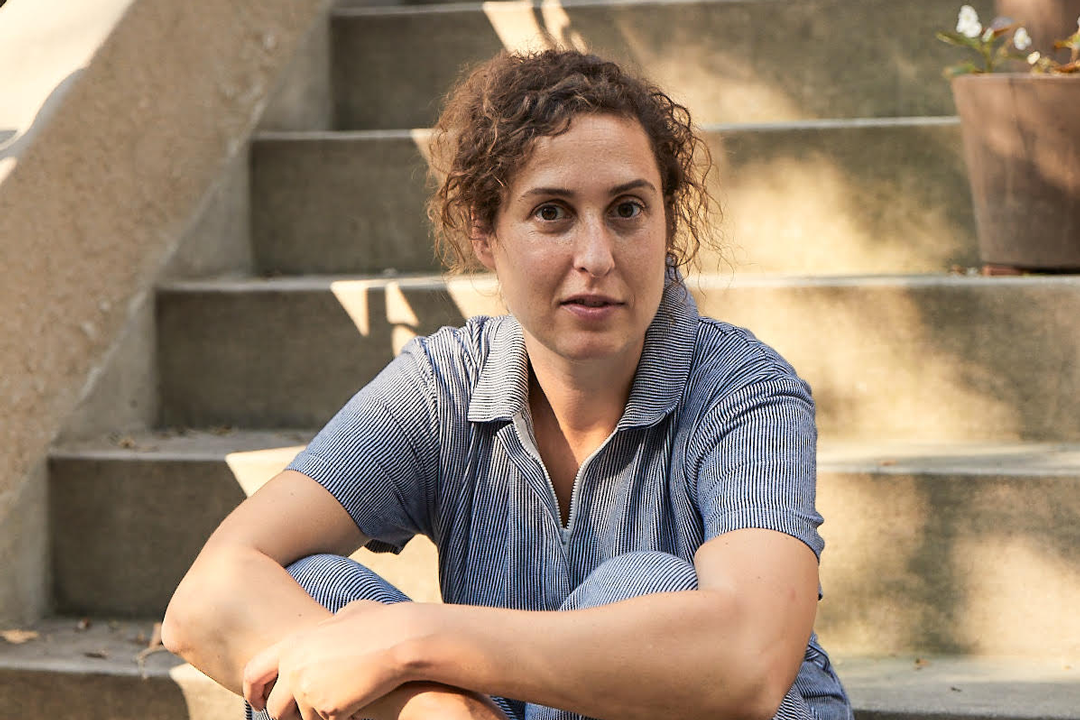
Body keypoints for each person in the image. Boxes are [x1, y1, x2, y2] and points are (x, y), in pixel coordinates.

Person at [162, 49, 853, 720]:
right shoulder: (444, 387)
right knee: (314, 596)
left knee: (641, 588)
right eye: (552, 212)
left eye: (628, 210)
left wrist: (417, 641)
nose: (596, 257)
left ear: (667, 223)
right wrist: (438, 707)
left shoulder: (743, 388)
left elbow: (749, 658)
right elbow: (207, 599)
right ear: (485, 234)